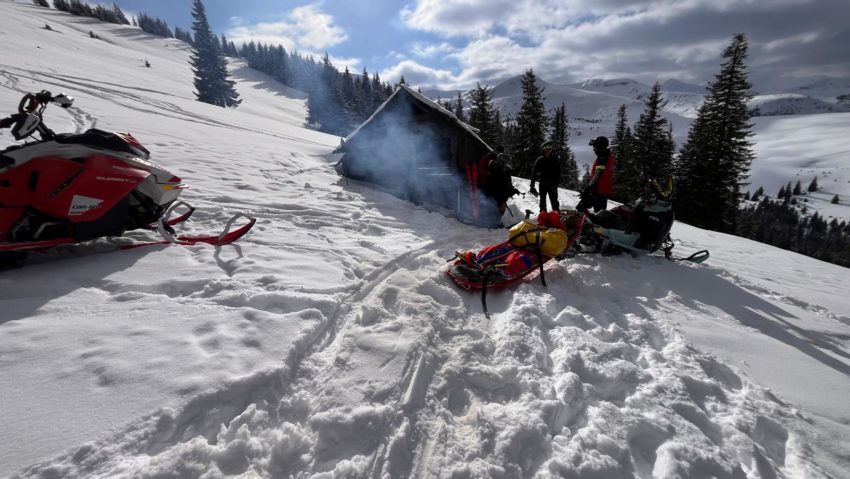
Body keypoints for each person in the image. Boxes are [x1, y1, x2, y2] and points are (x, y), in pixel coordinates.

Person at [577, 136, 616, 213]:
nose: (594, 149)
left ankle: (579, 223)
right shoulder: (610, 157)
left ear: (600, 147)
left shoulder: (602, 158)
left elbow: (597, 174)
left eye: (595, 147)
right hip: (604, 190)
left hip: (598, 190)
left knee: (582, 208)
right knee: (599, 212)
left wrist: (588, 188)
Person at [529, 141, 561, 212]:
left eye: (550, 150)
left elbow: (558, 174)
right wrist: (532, 186)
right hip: (542, 185)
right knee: (542, 202)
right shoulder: (539, 160)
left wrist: (555, 185)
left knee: (554, 202)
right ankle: (543, 217)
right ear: (543, 151)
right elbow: (534, 174)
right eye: (546, 150)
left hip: (552, 185)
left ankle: (556, 217)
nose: (548, 152)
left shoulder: (555, 160)